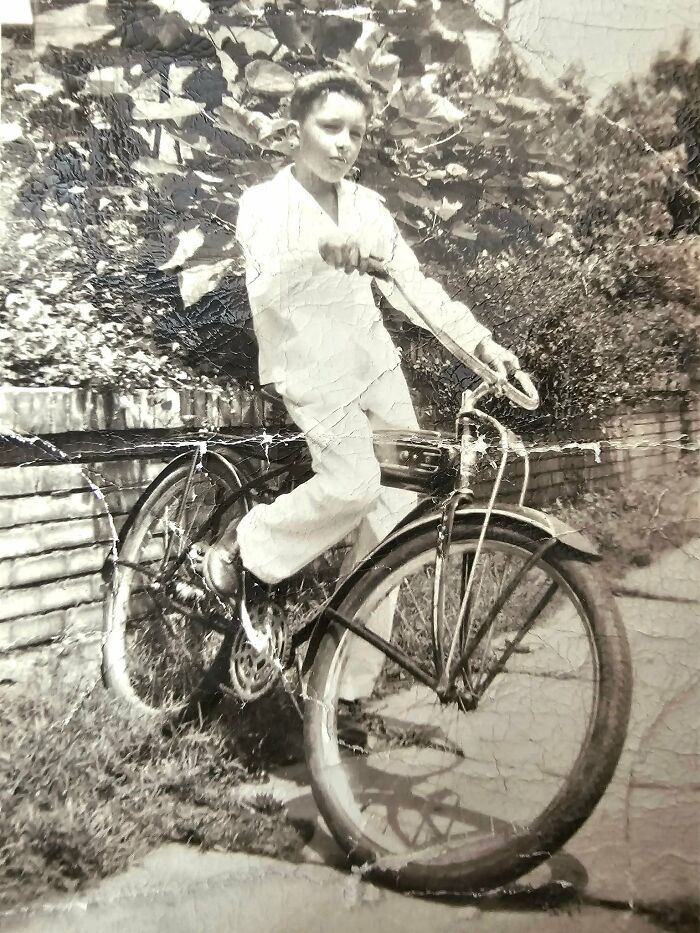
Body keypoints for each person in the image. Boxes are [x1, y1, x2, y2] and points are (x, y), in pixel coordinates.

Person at [202, 69, 519, 696]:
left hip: (372, 363)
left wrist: (482, 345)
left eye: (357, 132)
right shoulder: (265, 203)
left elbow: (414, 289)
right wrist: (325, 247)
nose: (344, 143)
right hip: (308, 363)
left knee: (399, 511)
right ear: (297, 130)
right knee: (352, 485)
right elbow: (265, 276)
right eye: (330, 127)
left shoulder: (368, 208)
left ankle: (339, 687)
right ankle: (247, 545)